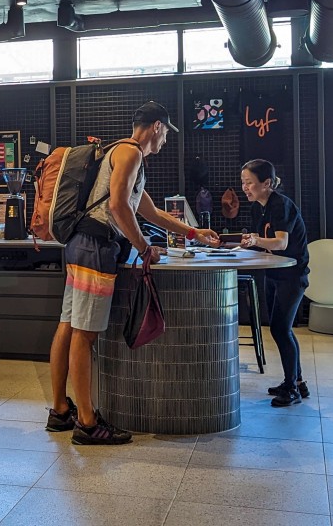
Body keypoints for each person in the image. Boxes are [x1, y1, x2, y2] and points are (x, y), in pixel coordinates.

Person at [47, 101, 220, 444]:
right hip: (95, 248)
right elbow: (117, 206)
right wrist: (143, 247)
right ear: (157, 127)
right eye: (166, 134)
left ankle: (60, 410)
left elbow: (150, 211)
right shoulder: (130, 154)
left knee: (69, 325)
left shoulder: (119, 152)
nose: (165, 141)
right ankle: (86, 423)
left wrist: (193, 232)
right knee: (84, 334)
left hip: (81, 245)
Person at [239, 159, 311, 407]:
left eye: (249, 182)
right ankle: (297, 382)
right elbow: (262, 243)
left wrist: (255, 240)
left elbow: (280, 242)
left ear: (266, 183)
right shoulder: (258, 208)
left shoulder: (281, 204)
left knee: (281, 330)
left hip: (292, 276)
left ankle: (292, 388)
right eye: (243, 182)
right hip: (273, 273)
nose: (245, 188)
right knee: (280, 329)